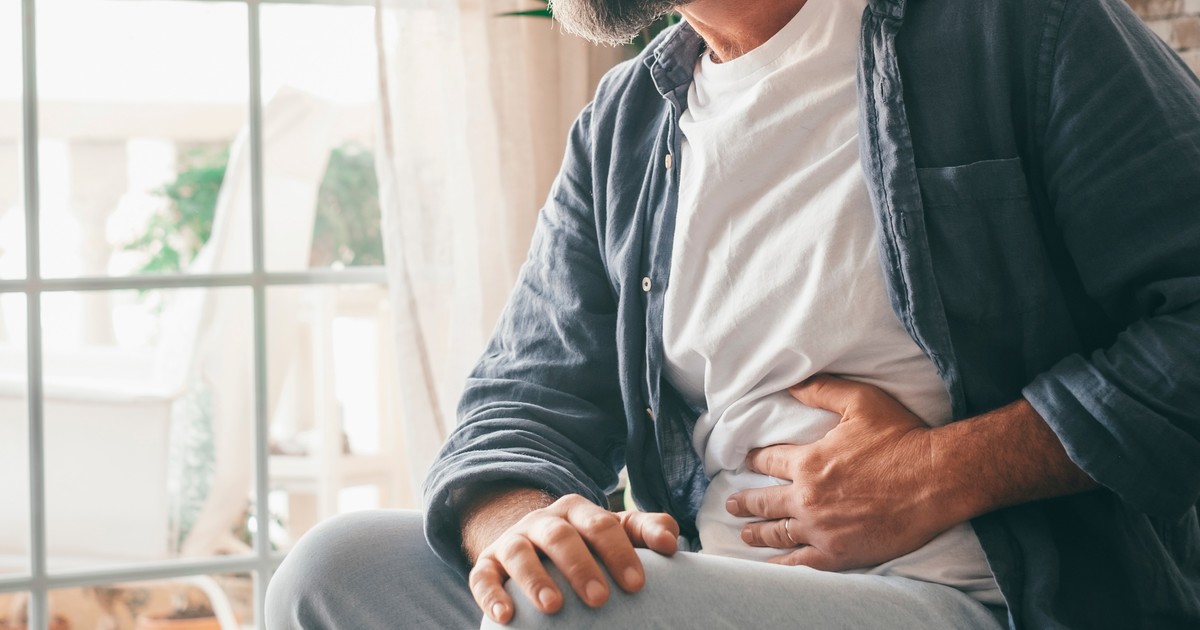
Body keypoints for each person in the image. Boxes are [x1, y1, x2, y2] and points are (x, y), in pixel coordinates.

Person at [265, 0, 1200, 626]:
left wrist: (938, 474)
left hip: (971, 596)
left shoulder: (1020, 29)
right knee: (334, 571)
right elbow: (521, 400)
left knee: (567, 620)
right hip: (710, 586)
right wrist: (523, 524)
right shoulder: (627, 126)